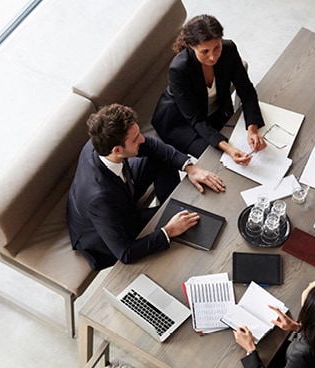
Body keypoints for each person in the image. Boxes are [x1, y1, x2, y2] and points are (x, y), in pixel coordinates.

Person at [67, 103, 226, 271]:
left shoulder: (102, 141)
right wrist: (168, 231)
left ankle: (172, 208)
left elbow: (151, 145)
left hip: (120, 188)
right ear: (117, 150)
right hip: (105, 231)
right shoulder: (99, 199)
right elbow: (126, 253)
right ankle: (173, 220)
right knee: (185, 226)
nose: (142, 139)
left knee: (162, 159)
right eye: (135, 139)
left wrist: (190, 168)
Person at [152, 14, 266, 166]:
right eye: (205, 52)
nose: (212, 57)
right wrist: (228, 148)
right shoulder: (179, 69)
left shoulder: (229, 50)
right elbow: (195, 119)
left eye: (217, 47)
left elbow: (246, 90)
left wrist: (252, 129)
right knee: (218, 161)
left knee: (249, 147)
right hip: (180, 121)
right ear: (192, 46)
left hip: (213, 112)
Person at [233, 279, 315, 368]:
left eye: (308, 287)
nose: (307, 286)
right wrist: (297, 327)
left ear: (308, 311)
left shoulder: (299, 354)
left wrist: (250, 349)